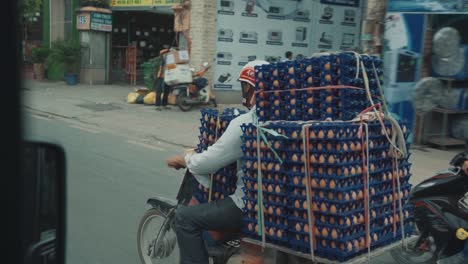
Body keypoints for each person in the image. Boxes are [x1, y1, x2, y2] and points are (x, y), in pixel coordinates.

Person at [166, 60, 269, 264]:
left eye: (245, 87)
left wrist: (185, 159)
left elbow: (209, 163)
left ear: (253, 89)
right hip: (276, 206)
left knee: (184, 218)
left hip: (248, 206)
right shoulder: (286, 119)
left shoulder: (245, 123)